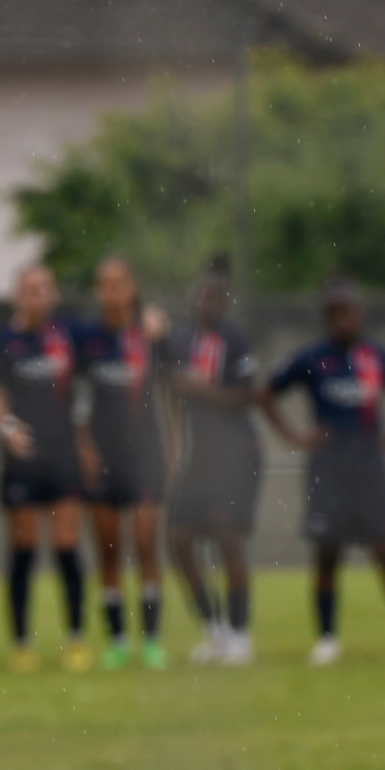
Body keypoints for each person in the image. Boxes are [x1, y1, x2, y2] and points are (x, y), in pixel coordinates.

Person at [261, 277, 385, 666]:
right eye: (336, 313)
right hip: (327, 470)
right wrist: (295, 436)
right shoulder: (311, 358)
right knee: (327, 554)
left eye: (349, 312)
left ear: (361, 314)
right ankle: (327, 640)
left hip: (369, 471)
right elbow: (266, 393)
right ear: (326, 317)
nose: (344, 320)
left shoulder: (377, 357)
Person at [0, 264, 91, 672]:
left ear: (54, 293)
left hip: (62, 457)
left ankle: (76, 640)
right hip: (22, 462)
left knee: (67, 546)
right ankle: (21, 644)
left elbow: (111, 341)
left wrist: (149, 320)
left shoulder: (67, 335)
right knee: (24, 550)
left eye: (44, 288)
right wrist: (8, 430)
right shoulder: (3, 340)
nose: (37, 295)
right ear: (17, 295)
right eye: (29, 289)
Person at [165, 255, 262, 666]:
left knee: (228, 540)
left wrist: (199, 389)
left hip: (234, 452)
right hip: (200, 455)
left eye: (217, 297)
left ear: (225, 302)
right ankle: (214, 628)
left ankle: (240, 634)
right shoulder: (179, 340)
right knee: (179, 539)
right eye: (203, 295)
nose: (208, 303)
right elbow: (170, 390)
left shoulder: (236, 340)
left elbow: (246, 395)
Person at [75, 256, 171, 671]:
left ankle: (150, 641)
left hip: (145, 455)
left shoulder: (149, 335)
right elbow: (76, 396)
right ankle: (117, 641)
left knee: (146, 545)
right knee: (108, 552)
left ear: (132, 288)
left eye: (119, 284)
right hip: (103, 457)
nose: (112, 292)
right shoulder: (87, 338)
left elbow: (171, 390)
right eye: (105, 284)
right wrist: (83, 445)